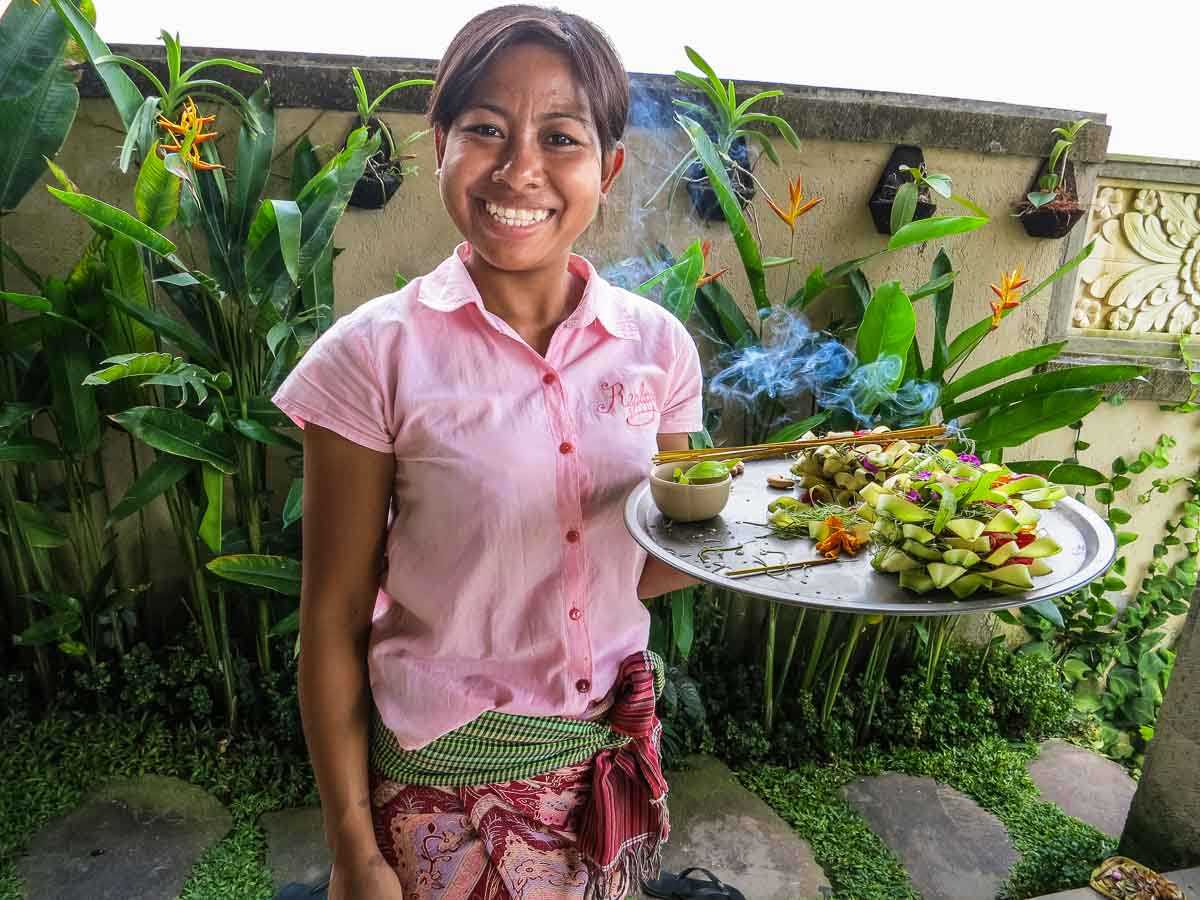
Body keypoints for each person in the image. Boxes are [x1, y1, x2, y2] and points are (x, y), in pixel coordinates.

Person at [271, 6, 708, 899]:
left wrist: (764, 536)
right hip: (443, 799)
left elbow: (652, 564)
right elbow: (333, 619)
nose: (520, 170)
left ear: (608, 167)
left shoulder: (657, 348)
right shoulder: (371, 357)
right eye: (485, 130)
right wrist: (353, 848)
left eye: (561, 136)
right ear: (438, 144)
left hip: (606, 781)